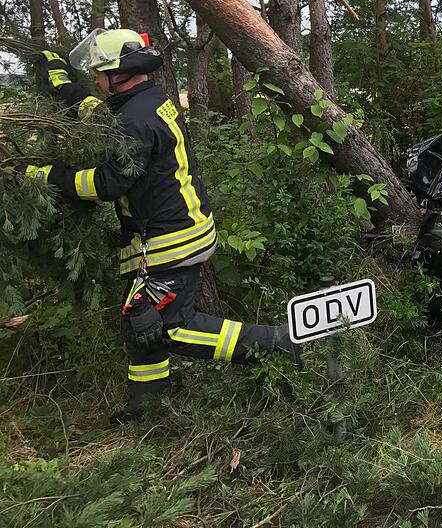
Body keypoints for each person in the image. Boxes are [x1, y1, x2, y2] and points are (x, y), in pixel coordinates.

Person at [18, 28, 301, 423]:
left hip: (170, 240)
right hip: (172, 231)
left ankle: (275, 343)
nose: (98, 81)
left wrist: (45, 176)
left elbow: (108, 182)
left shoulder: (134, 119)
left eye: (101, 73)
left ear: (121, 72)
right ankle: (147, 409)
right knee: (139, 324)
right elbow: (97, 116)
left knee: (168, 326)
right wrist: (63, 82)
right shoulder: (143, 101)